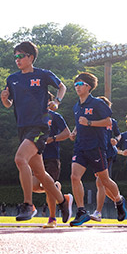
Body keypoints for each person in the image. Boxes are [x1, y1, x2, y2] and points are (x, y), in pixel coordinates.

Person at [0, 41, 72, 223]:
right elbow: (10, 105)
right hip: (22, 128)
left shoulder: (43, 75)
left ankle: (27, 205)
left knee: (20, 159)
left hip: (39, 126)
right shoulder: (12, 79)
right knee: (39, 173)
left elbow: (62, 87)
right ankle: (63, 201)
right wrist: (5, 101)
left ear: (31, 57)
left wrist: (56, 101)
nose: (17, 59)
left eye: (21, 56)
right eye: (15, 56)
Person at [68, 73, 127, 226]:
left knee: (104, 181)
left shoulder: (97, 103)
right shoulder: (76, 106)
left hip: (96, 147)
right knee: (74, 177)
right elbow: (79, 122)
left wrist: (89, 123)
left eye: (79, 84)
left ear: (88, 86)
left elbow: (108, 121)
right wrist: (75, 131)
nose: (77, 87)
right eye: (75, 84)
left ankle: (119, 201)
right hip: (80, 147)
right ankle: (81, 211)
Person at [35, 94, 72, 228]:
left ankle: (52, 219)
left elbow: (67, 133)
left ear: (50, 102)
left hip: (51, 157)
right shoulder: (33, 117)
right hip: (36, 156)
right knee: (34, 186)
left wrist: (53, 138)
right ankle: (62, 197)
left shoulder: (55, 117)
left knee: (48, 187)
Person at [88, 96, 121, 222]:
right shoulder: (92, 121)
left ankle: (98, 212)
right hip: (96, 152)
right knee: (105, 183)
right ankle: (119, 200)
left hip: (108, 153)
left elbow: (118, 134)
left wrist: (116, 140)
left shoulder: (112, 122)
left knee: (100, 182)